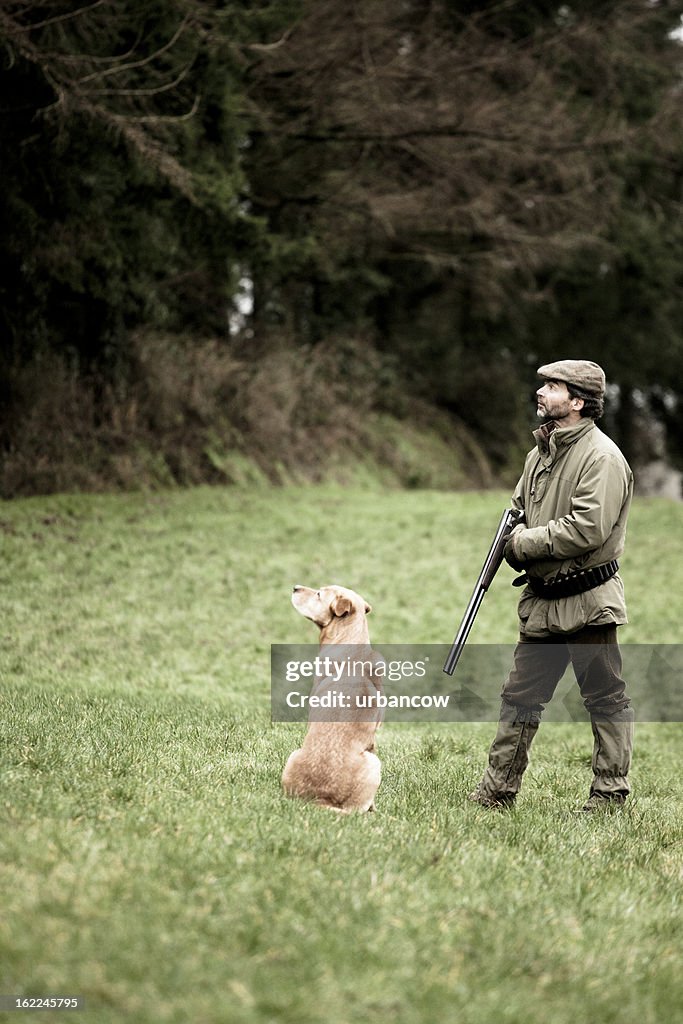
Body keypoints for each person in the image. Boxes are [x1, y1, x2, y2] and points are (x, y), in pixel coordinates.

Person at [469, 359, 635, 812]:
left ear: (577, 402)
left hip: (588, 601)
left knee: (604, 699)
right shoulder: (540, 454)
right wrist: (509, 535)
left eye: (552, 386)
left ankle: (609, 797)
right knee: (520, 698)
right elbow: (519, 508)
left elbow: (587, 529)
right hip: (543, 603)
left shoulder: (603, 458)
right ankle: (496, 792)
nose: (540, 391)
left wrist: (521, 544)